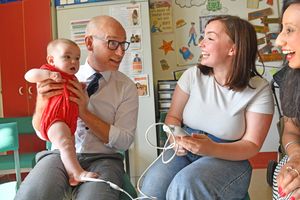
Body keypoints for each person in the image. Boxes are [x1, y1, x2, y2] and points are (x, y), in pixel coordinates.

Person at [140, 15, 274, 200]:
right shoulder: (191, 76)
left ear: (232, 48)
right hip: (185, 149)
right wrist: (174, 138)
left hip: (229, 157)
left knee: (184, 186)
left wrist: (211, 148)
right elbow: (173, 118)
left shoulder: (259, 89)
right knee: (151, 188)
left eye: (210, 38)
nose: (201, 43)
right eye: (203, 37)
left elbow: (251, 145)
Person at [15, 15, 138, 200]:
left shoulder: (127, 87)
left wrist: (84, 112)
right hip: (58, 154)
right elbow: (42, 132)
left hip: (103, 159)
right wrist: (41, 102)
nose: (120, 52)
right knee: (31, 195)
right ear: (89, 43)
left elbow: (124, 141)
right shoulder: (59, 75)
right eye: (112, 43)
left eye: (123, 44)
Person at [24, 38, 98, 186]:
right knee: (65, 144)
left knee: (70, 145)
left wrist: (81, 88)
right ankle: (77, 173)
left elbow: (80, 100)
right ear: (51, 60)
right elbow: (29, 75)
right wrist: (47, 75)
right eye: (67, 57)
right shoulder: (50, 71)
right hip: (54, 119)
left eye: (77, 58)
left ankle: (71, 175)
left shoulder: (74, 78)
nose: (73, 62)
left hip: (68, 121)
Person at [272, 1, 300, 200]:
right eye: (282, 29)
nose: (279, 41)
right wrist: (296, 156)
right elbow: (290, 130)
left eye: (289, 30)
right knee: (285, 181)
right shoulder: (289, 79)